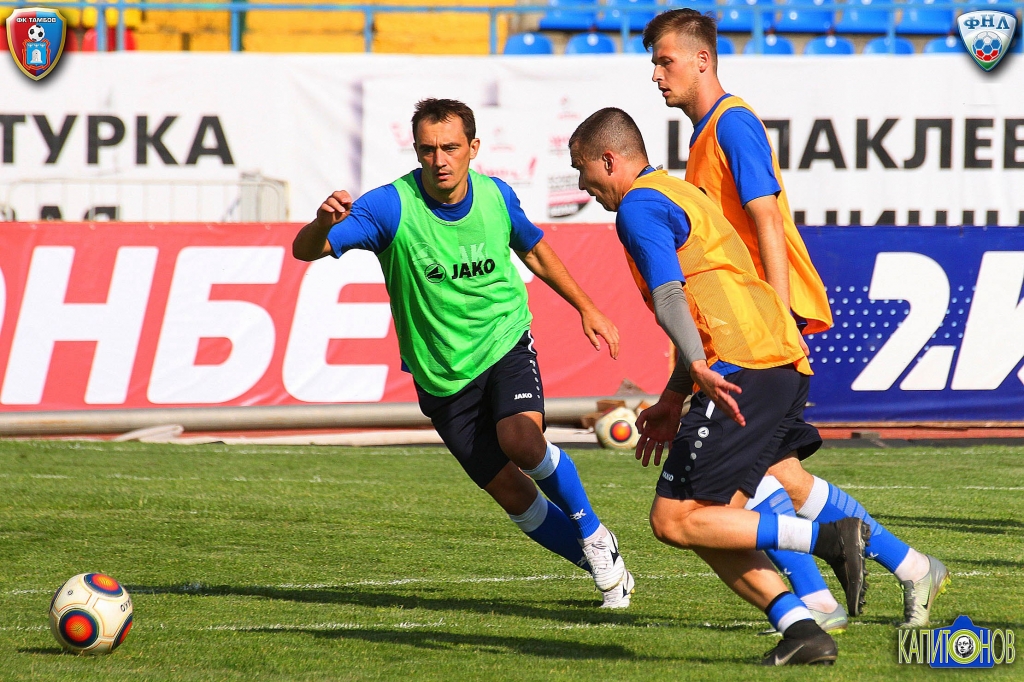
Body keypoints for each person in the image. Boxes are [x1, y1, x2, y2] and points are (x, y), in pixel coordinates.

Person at [641, 8, 949, 628]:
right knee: (778, 474)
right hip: (753, 331)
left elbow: (768, 223)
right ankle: (911, 568)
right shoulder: (705, 136)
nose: (656, 74)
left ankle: (817, 602)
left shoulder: (733, 124)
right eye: (653, 62)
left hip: (764, 333)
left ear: (702, 59)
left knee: (740, 479)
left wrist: (778, 325)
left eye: (664, 60)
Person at [292, 98, 635, 608]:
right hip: (441, 373)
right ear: (416, 151)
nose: (440, 159)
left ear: (473, 148)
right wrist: (322, 223)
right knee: (513, 495)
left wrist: (587, 308)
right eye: (428, 149)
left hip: (504, 339)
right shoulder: (389, 206)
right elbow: (306, 250)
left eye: (451, 147)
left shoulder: (496, 197)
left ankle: (592, 530)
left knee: (520, 438)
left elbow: (535, 250)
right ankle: (598, 560)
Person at [568, 106, 870, 666]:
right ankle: (803, 630)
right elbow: (706, 296)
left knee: (673, 517)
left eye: (585, 173)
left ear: (609, 160)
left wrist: (698, 372)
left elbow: (671, 296)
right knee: (708, 523)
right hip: (775, 361)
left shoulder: (637, 206)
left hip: (741, 366)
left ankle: (830, 538)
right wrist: (674, 394)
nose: (588, 188)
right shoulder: (682, 193)